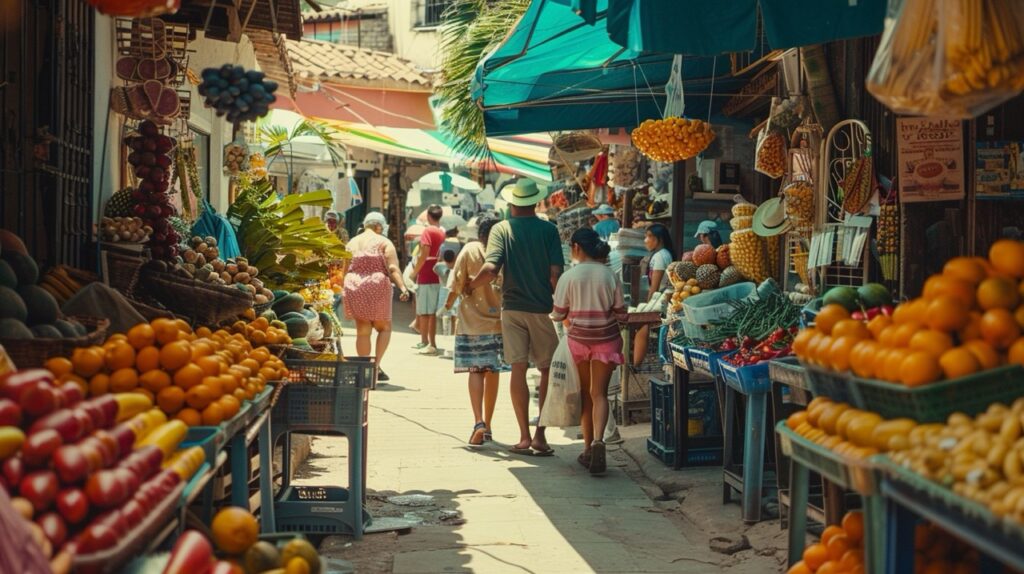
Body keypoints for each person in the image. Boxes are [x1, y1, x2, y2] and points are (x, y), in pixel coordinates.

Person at [468, 179, 563, 456]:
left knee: (518, 369)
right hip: (543, 309)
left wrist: (471, 285)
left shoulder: (501, 229)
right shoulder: (549, 230)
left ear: (512, 204)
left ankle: (523, 437)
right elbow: (555, 274)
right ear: (536, 202)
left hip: (511, 308)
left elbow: (490, 269)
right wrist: (562, 308)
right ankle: (540, 435)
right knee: (546, 370)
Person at [550, 228, 628, 474]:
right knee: (600, 394)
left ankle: (587, 449)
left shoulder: (569, 277)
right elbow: (621, 313)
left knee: (586, 395)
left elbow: (558, 314)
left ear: (575, 247)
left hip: (579, 343)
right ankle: (599, 442)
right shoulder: (609, 275)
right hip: (607, 341)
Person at [445, 215, 505, 446]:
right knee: (493, 371)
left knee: (475, 370)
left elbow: (456, 282)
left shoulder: (470, 249)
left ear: (480, 233)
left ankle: (478, 421)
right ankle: (488, 425)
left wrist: (449, 303)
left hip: (471, 323)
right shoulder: (503, 252)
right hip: (497, 321)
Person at [342, 212, 410, 382]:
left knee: (363, 332)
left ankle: (364, 368)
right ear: (379, 226)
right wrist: (403, 287)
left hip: (354, 285)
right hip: (377, 285)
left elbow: (344, 271)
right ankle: (376, 367)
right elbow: (393, 268)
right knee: (384, 328)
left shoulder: (352, 242)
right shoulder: (384, 242)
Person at [634, 223, 677, 365]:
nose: (645, 240)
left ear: (659, 239)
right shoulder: (662, 254)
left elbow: (655, 286)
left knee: (641, 323)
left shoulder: (660, 256)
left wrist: (647, 306)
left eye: (649, 236)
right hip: (662, 298)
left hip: (662, 300)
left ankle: (636, 363)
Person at [412, 205, 446, 355]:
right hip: (437, 274)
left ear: (428, 216)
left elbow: (424, 253)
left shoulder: (428, 231)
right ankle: (431, 342)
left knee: (424, 311)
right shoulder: (442, 232)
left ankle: (425, 341)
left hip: (426, 274)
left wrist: (414, 272)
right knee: (432, 311)